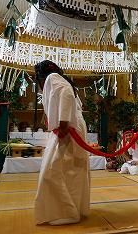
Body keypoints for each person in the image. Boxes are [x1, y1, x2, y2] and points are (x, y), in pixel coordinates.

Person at [34, 60, 90, 225]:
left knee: (53, 169)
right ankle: (74, 209)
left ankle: (66, 212)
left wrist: (64, 122)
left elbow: (65, 94)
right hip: (74, 123)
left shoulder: (52, 77)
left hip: (68, 125)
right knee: (72, 168)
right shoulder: (63, 79)